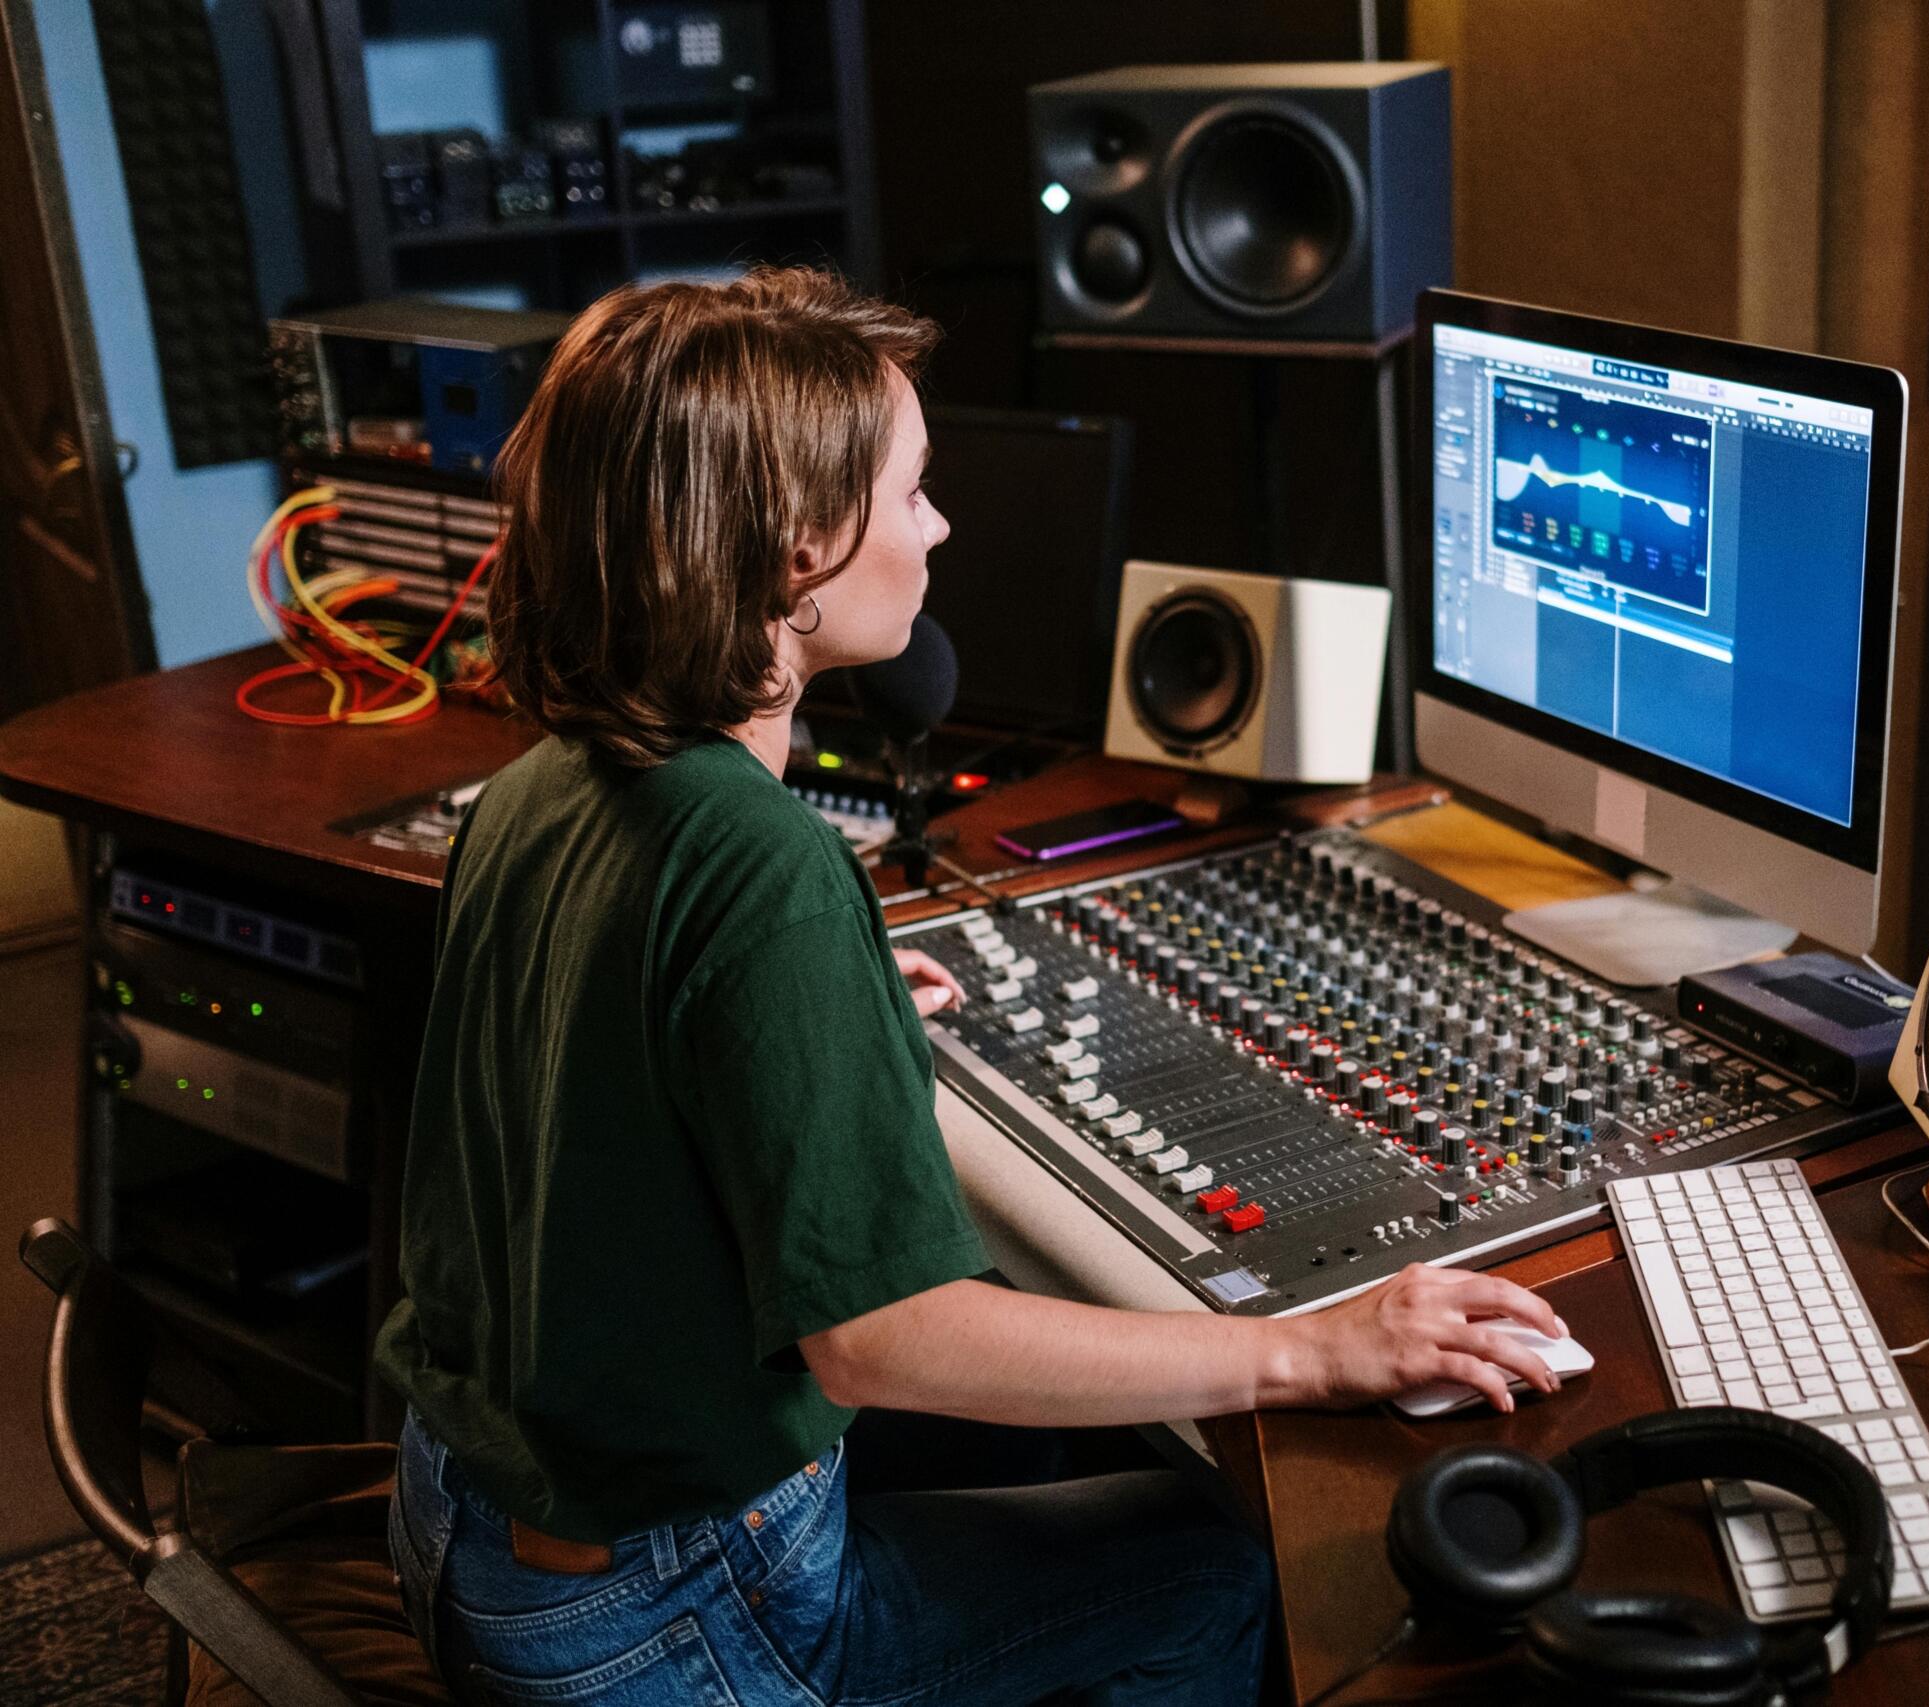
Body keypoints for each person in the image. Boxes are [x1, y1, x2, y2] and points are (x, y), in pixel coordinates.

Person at [378, 267, 1567, 1707]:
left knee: (1050, 1450)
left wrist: (823, 1006)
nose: (937, 526)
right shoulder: (763, 867)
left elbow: (617, 1050)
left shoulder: (537, 784)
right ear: (801, 546)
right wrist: (1309, 1350)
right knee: (1223, 1571)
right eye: (912, 491)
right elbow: (884, 1340)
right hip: (666, 1620)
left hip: (458, 1528)